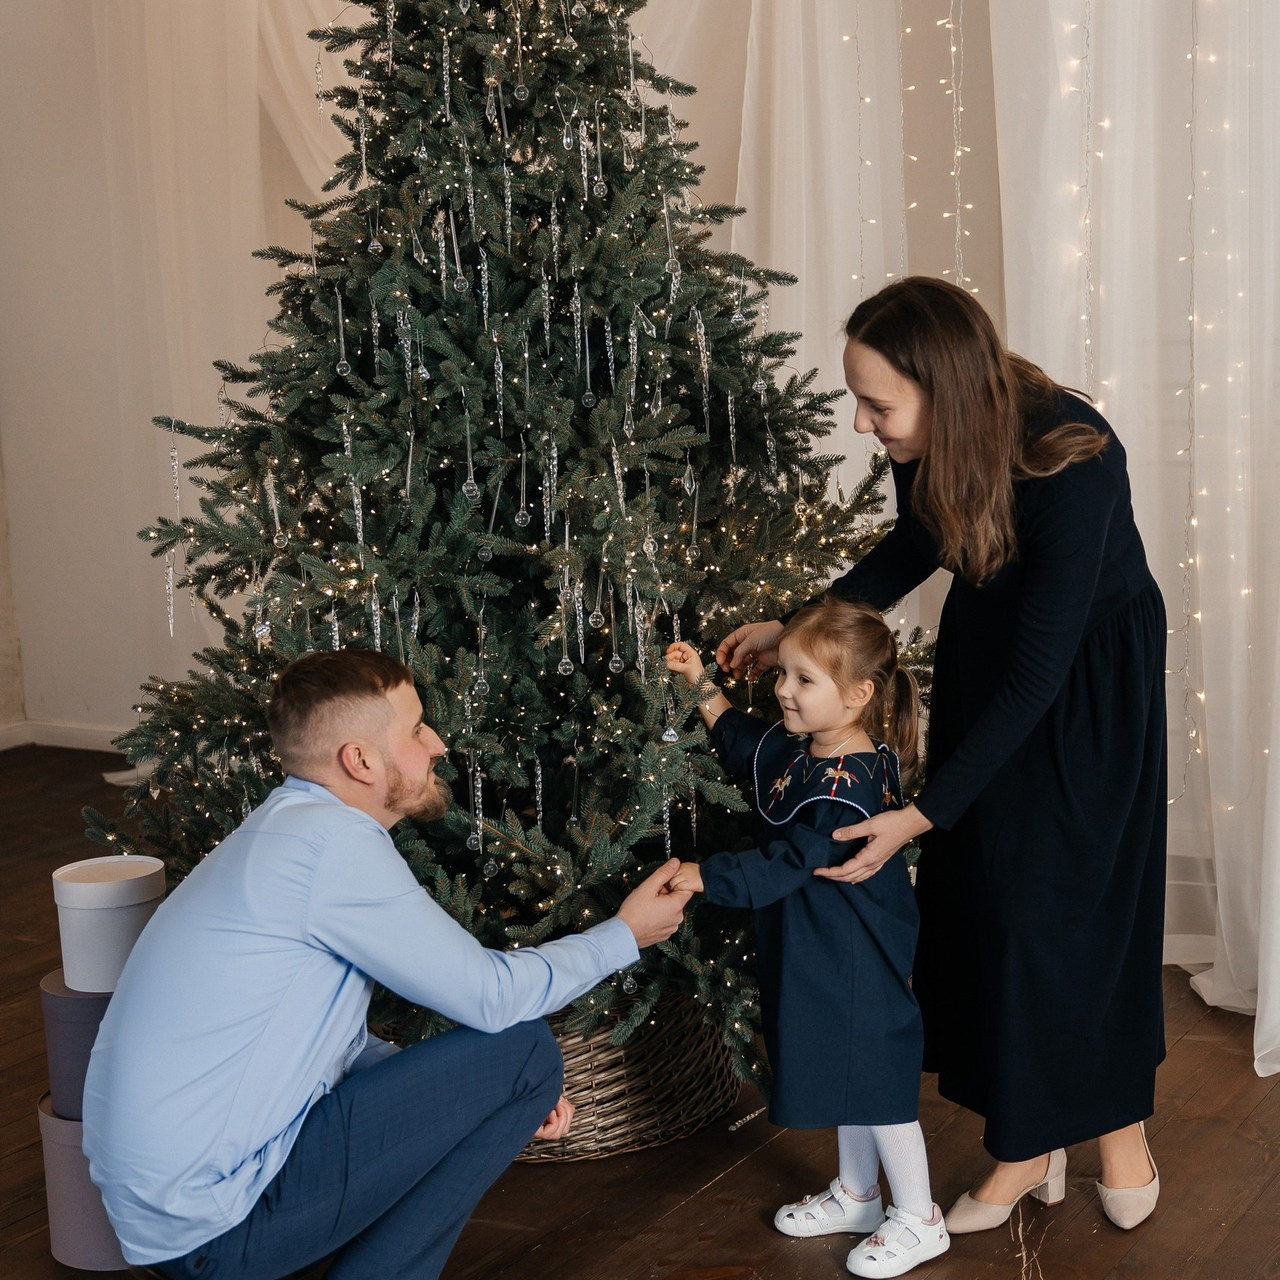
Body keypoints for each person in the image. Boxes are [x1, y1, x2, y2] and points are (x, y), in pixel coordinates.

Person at [716, 276, 1166, 1236]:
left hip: (1083, 682)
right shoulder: (930, 442)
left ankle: (1117, 1123)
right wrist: (800, 626)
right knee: (991, 901)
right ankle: (1032, 1137)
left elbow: (1042, 674)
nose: (864, 425)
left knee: (1066, 905)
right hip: (993, 653)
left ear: (945, 389)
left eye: (878, 405)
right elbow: (916, 542)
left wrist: (922, 814)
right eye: (858, 401)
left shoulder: (1073, 459)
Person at [82, 648, 692, 1280]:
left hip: (166, 1219)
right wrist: (625, 934)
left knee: (507, 1066)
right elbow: (492, 996)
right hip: (212, 1228)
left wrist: (463, 1096)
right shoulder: (330, 845)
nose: (437, 743)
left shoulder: (284, 832)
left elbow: (329, 1045)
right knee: (524, 1051)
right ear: (361, 759)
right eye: (416, 728)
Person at [665, 596, 949, 1279]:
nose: (781, 690)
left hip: (854, 950)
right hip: (815, 945)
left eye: (802, 680)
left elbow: (786, 862)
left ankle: (919, 1217)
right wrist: (702, 686)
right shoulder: (808, 751)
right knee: (845, 1072)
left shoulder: (845, 785)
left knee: (876, 1082)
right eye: (783, 675)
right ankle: (858, 1194)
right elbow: (747, 745)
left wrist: (706, 875)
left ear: (857, 696)